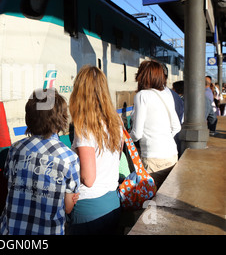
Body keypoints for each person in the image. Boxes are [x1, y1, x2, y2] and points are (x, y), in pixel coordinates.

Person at [0, 88, 79, 235]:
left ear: (29, 118)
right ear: (61, 119)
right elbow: (67, 207)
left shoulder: (15, 149)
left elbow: (11, 183)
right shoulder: (69, 158)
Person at [67, 65, 123, 235]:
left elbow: (89, 179)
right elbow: (116, 157)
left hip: (89, 211)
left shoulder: (84, 128)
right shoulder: (116, 123)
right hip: (113, 203)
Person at [129, 60, 181, 189]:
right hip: (171, 154)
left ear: (143, 76)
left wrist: (125, 139)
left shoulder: (142, 95)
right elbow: (177, 127)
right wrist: (163, 137)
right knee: (168, 195)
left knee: (152, 201)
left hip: (153, 157)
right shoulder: (167, 94)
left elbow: (137, 133)